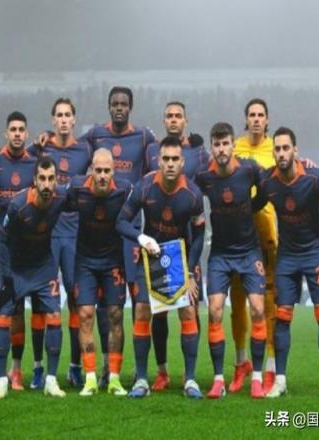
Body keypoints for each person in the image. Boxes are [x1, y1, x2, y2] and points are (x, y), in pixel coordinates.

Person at [254, 127, 319, 400]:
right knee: (282, 317)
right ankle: (280, 381)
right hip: (287, 257)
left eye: (286, 148)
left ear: (295, 150)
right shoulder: (268, 182)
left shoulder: (313, 177)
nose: (281, 153)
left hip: (315, 253)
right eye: (277, 149)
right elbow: (252, 206)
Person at [117, 136, 205, 399]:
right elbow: (121, 221)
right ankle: (142, 380)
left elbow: (200, 234)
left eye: (175, 159)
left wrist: (190, 271)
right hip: (150, 257)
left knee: (188, 312)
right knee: (142, 310)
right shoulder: (144, 187)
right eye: (165, 159)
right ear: (158, 161)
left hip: (179, 258)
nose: (170, 164)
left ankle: (190, 380)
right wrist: (140, 237)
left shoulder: (193, 194)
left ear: (183, 162)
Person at [83, 86, 156, 386]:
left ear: (130, 107)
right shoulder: (95, 136)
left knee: (141, 303)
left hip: (132, 233)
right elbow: (72, 156)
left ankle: (141, 371)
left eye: (124, 103)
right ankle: (106, 367)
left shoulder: (144, 137)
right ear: (109, 106)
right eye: (114, 103)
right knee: (106, 308)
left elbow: (160, 168)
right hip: (103, 236)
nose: (119, 108)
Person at [196, 122, 267, 399]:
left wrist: (251, 208)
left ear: (233, 145)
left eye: (225, 143)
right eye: (217, 144)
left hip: (249, 252)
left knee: (258, 309)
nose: (221, 149)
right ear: (212, 147)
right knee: (215, 311)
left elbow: (267, 190)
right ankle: (218, 380)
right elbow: (189, 196)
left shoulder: (249, 169)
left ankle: (257, 377)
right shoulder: (204, 176)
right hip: (220, 254)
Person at [0, 157, 69, 399]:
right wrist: (5, 276)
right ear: (34, 180)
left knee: (55, 316)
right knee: (4, 318)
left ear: (56, 181)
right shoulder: (18, 205)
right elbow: (2, 240)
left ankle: (51, 380)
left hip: (44, 267)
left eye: (51, 179)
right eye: (42, 179)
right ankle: (1, 381)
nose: (46, 184)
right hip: (16, 269)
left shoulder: (61, 198)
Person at [145, 101, 209, 391]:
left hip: (189, 239)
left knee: (190, 309)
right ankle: (162, 372)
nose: (173, 120)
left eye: (178, 116)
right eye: (169, 116)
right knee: (158, 310)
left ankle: (189, 373)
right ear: (164, 120)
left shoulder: (199, 151)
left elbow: (212, 177)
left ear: (186, 120)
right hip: (159, 240)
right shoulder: (152, 150)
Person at [28, 98, 92, 389]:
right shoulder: (41, 149)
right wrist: (36, 142)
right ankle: (38, 367)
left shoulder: (85, 150)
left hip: (76, 234)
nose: (64, 119)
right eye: (59, 115)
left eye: (68, 115)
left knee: (77, 301)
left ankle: (75, 367)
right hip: (48, 235)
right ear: (53, 120)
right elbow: (21, 159)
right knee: (41, 302)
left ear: (74, 120)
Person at [66, 149, 132, 396]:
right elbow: (55, 205)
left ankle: (114, 378)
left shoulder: (124, 190)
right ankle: (90, 378)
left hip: (113, 261)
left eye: (106, 171)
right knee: (84, 315)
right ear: (91, 171)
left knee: (115, 315)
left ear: (113, 171)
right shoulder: (77, 188)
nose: (102, 175)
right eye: (98, 170)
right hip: (85, 261)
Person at [0, 111, 36, 391]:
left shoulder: (33, 164)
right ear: (6, 133)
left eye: (21, 129)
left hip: (21, 247)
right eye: (12, 129)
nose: (17, 134)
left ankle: (16, 370)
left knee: (17, 309)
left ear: (26, 134)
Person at [228, 98, 278, 394]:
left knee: (268, 302)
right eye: (252, 115)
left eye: (261, 115)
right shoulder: (234, 148)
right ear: (246, 119)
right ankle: (241, 362)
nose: (256, 119)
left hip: (268, 234)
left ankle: (270, 368)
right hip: (238, 233)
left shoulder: (277, 148)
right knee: (237, 301)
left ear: (267, 120)